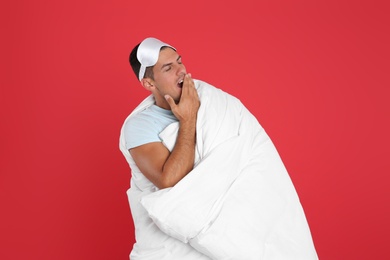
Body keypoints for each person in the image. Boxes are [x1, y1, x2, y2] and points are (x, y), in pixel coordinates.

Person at [119, 37, 318, 260]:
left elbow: (250, 156)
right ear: (149, 84)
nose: (181, 70)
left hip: (234, 234)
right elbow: (169, 180)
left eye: (179, 61)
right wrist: (188, 119)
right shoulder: (140, 126)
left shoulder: (214, 102)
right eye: (168, 68)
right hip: (169, 248)